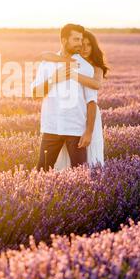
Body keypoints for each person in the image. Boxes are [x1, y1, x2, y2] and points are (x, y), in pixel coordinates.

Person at [31, 23, 98, 171]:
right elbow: (35, 94)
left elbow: (91, 102)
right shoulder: (46, 65)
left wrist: (89, 132)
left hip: (76, 129)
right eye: (76, 39)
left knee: (80, 176)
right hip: (51, 127)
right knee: (42, 172)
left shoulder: (86, 67)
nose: (79, 44)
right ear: (64, 40)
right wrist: (53, 79)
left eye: (81, 40)